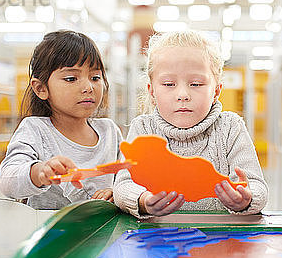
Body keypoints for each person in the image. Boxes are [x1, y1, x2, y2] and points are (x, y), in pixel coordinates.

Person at [113, 30, 268, 218]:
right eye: (169, 84)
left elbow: (256, 185)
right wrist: (143, 200)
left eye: (195, 84)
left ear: (216, 91)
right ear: (152, 92)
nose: (183, 94)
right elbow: (122, 185)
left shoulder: (230, 128)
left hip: (220, 238)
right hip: (157, 239)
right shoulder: (144, 129)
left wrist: (246, 199)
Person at [0, 30, 123, 209]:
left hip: (104, 232)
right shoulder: (35, 129)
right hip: (52, 233)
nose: (88, 87)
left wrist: (118, 191)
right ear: (41, 88)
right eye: (71, 78)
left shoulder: (110, 131)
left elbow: (128, 179)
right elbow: (7, 180)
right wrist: (38, 172)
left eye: (95, 77)